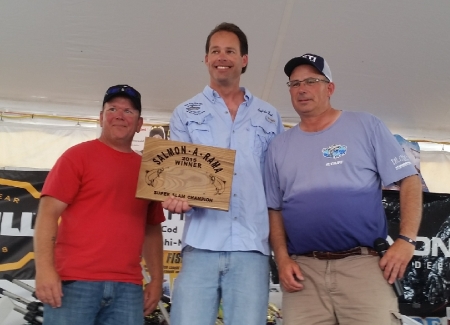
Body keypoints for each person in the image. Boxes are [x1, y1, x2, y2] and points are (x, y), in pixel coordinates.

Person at [264, 54, 423, 325]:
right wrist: (281, 258)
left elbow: (410, 179)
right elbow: (274, 208)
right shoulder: (278, 146)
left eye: (312, 81)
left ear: (330, 88)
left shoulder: (365, 126)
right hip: (304, 274)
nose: (302, 89)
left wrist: (406, 241)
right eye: (295, 83)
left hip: (364, 268)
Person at [162, 22, 284, 325]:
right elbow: (174, 176)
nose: (222, 57)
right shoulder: (184, 112)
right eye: (215, 51)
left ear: (244, 60)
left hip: (252, 248)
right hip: (199, 246)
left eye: (230, 51)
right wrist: (175, 196)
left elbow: (275, 185)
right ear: (206, 59)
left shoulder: (270, 116)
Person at [33, 84, 165, 325]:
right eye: (112, 108)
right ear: (101, 117)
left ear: (139, 123)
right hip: (73, 283)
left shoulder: (150, 171)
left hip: (129, 288)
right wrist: (43, 269)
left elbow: (152, 227)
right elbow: (47, 214)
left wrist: (157, 279)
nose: (119, 115)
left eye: (128, 111)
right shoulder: (76, 156)